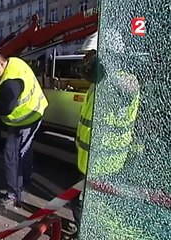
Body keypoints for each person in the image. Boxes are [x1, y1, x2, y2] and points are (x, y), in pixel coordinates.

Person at [70, 31, 142, 238]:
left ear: (106, 55)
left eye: (90, 55)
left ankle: (88, 234)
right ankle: (86, 232)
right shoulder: (98, 83)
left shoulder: (123, 80)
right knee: (83, 203)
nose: (85, 62)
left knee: (92, 208)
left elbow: (129, 90)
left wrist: (108, 66)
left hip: (104, 165)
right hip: (90, 162)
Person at [0, 52, 49, 206]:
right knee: (25, 150)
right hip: (35, 111)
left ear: (2, 64)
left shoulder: (10, 82)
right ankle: (26, 177)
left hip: (23, 121)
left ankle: (13, 194)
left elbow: (7, 108)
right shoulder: (15, 62)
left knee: (12, 156)